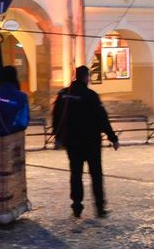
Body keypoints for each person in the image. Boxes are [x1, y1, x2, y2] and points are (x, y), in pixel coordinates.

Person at [51, 65, 119, 219]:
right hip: (91, 142)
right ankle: (100, 207)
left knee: (76, 174)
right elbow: (102, 118)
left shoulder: (63, 95)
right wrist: (112, 137)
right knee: (96, 174)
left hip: (72, 142)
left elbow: (56, 117)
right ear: (86, 77)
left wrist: (57, 136)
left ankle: (76, 207)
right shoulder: (91, 95)